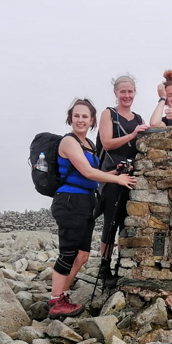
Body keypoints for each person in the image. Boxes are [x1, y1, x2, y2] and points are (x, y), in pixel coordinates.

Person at [48, 98, 136, 319]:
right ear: (70, 118)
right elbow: (88, 172)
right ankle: (55, 300)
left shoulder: (88, 144)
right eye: (76, 116)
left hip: (86, 202)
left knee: (83, 255)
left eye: (85, 116)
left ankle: (62, 295)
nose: (80, 120)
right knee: (68, 253)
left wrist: (116, 172)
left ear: (91, 120)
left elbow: (94, 176)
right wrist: (118, 180)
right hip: (69, 201)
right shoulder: (69, 142)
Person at [96, 75, 149, 287]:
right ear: (116, 93)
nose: (127, 95)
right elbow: (107, 143)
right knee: (111, 222)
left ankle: (121, 265)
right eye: (123, 91)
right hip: (112, 176)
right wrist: (133, 134)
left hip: (131, 176)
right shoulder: (109, 114)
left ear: (135, 92)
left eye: (130, 91)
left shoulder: (139, 118)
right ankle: (104, 266)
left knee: (126, 222)